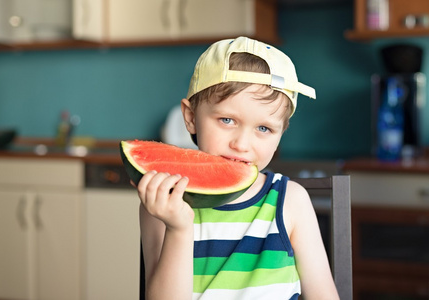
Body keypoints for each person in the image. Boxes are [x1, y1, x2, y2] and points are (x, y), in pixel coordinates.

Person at [136, 36, 339, 300]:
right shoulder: (166, 201)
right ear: (191, 118)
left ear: (281, 134)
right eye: (227, 120)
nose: (241, 144)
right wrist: (179, 229)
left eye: (264, 128)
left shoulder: (292, 201)